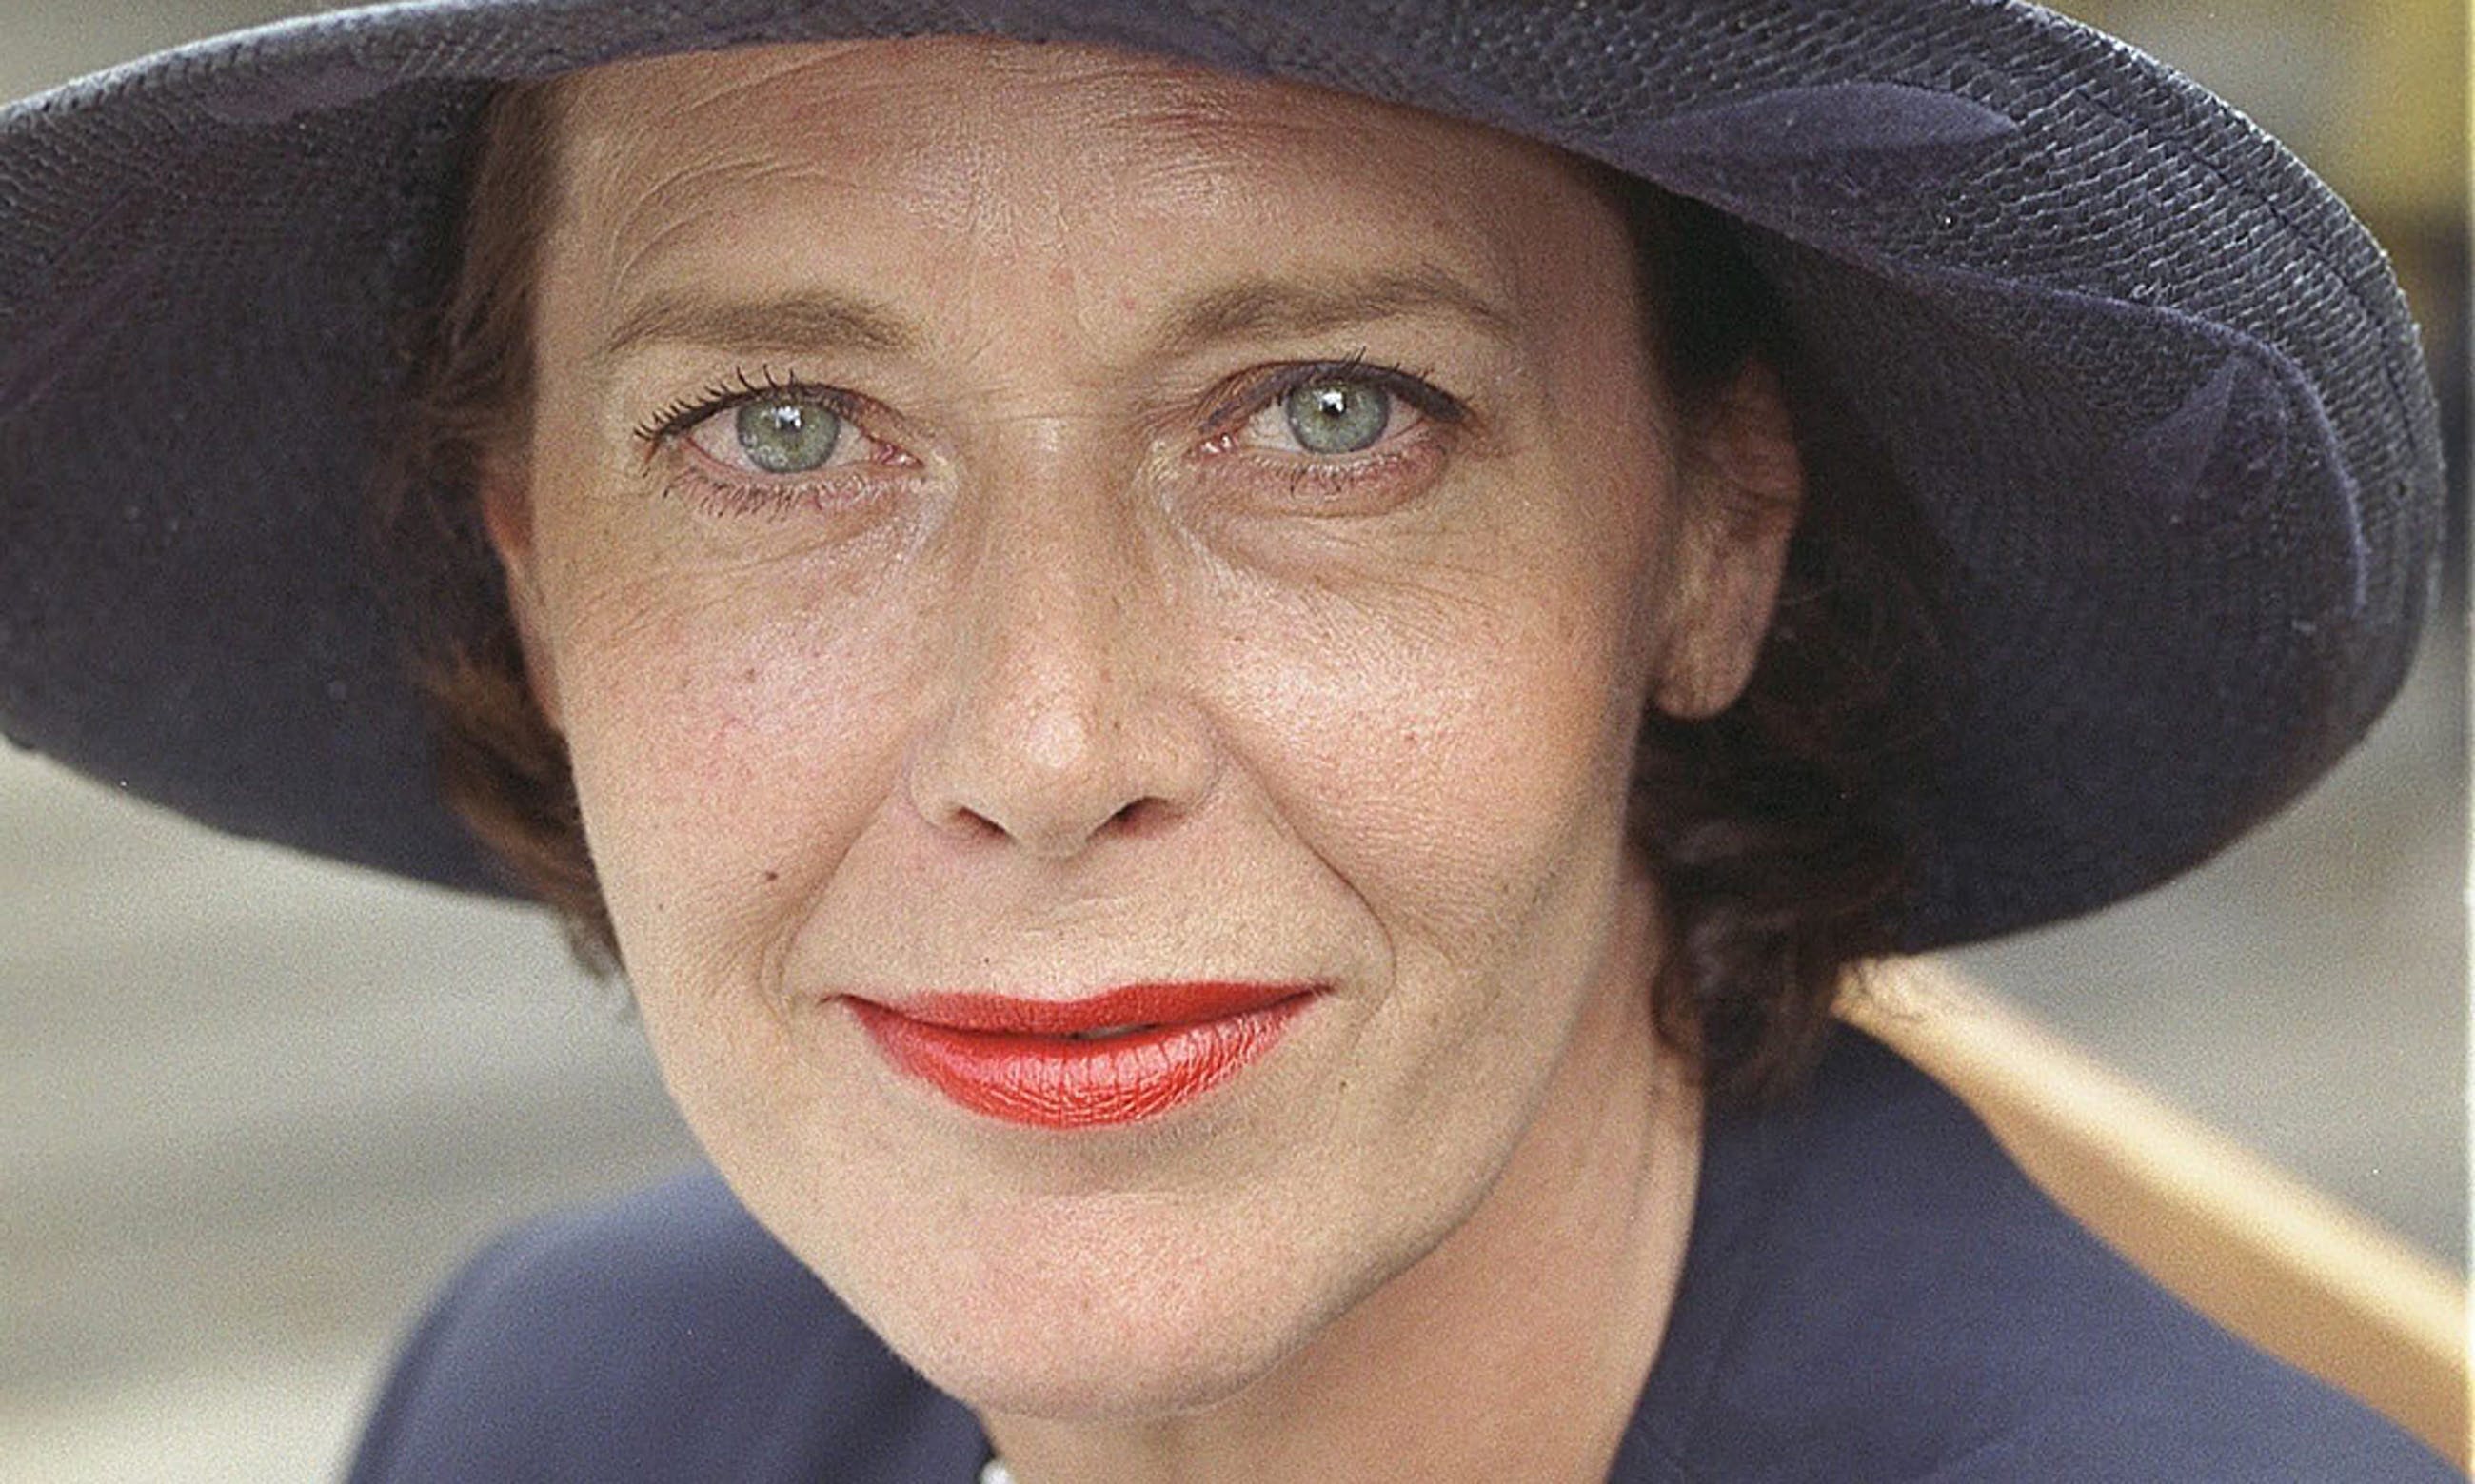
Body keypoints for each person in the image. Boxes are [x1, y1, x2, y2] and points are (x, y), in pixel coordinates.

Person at [0, 3, 2453, 1480]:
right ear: (536, 578)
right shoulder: (572, 1409)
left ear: (1714, 534)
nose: (1050, 737)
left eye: (1328, 412)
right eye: (781, 433)